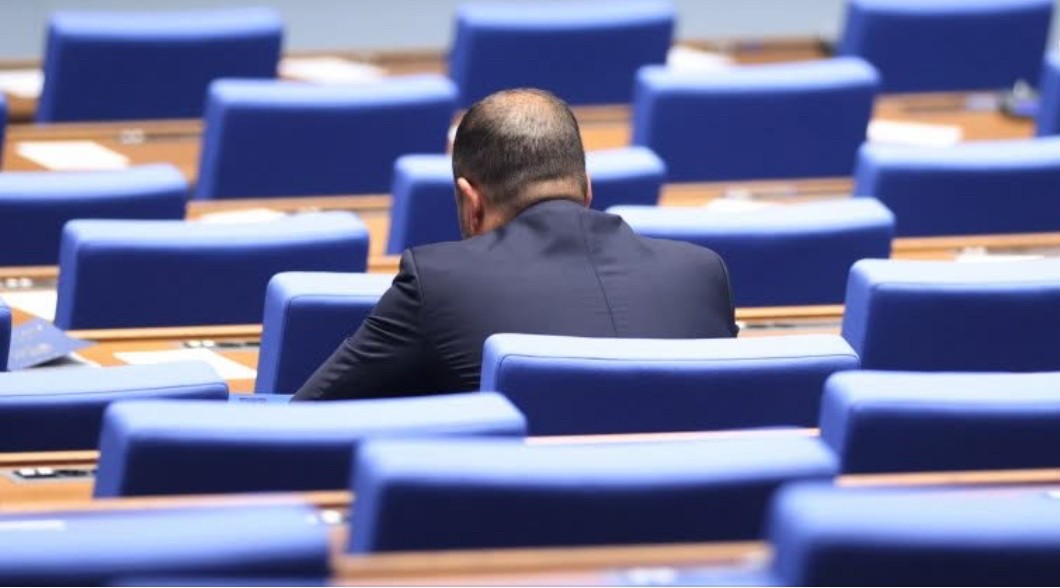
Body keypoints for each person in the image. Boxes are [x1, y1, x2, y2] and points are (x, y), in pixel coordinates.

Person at [292, 88, 737, 401]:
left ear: (471, 202)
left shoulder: (439, 282)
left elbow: (310, 416)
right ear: (587, 189)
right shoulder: (700, 274)